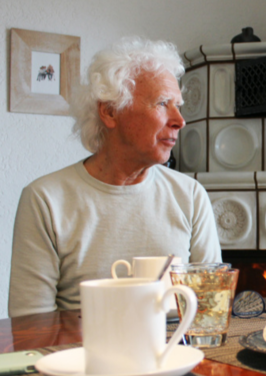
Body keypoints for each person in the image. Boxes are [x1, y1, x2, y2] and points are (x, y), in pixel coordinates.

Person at [9, 37, 221, 317]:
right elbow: (31, 326)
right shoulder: (45, 199)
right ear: (110, 111)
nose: (179, 121)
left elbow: (210, 310)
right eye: (161, 103)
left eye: (178, 106)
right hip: (82, 357)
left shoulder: (190, 195)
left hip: (175, 355)